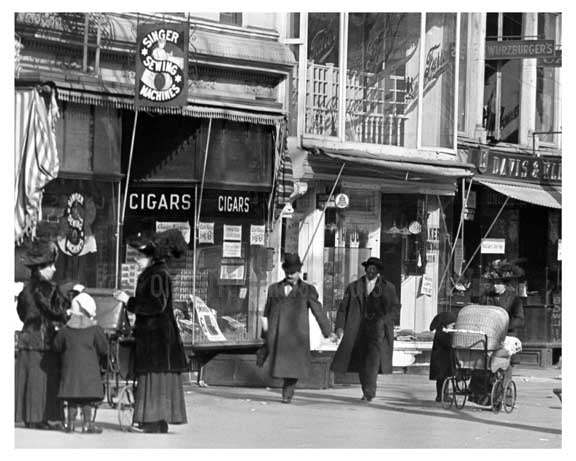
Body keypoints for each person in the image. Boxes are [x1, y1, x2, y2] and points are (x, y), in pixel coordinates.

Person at [114, 229, 188, 433]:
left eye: (139, 256)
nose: (136, 260)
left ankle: (152, 421)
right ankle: (156, 422)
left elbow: (156, 305)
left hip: (157, 337)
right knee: (154, 377)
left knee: (153, 377)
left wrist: (128, 301)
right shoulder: (157, 272)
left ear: (150, 257)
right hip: (157, 337)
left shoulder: (156, 274)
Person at [15, 238, 70, 429]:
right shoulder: (48, 287)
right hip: (43, 339)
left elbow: (21, 313)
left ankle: (27, 417)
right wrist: (66, 309)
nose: (54, 269)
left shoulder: (25, 288)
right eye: (50, 266)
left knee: (27, 379)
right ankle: (40, 418)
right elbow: (54, 311)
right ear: (41, 268)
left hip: (27, 336)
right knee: (41, 380)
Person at [262, 253, 332, 403]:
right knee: (279, 366)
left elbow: (317, 311)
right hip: (277, 334)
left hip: (296, 335)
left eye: (293, 272)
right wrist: (265, 335)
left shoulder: (307, 290)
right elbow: (266, 312)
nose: (290, 275)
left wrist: (328, 331)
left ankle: (287, 394)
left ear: (299, 271)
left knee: (292, 367)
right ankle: (286, 392)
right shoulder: (274, 289)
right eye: (287, 272)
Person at [330, 257, 401, 402]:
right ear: (365, 269)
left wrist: (385, 321)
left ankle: (369, 391)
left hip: (378, 330)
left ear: (378, 271)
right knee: (361, 362)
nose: (370, 270)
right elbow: (343, 309)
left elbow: (395, 308)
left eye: (374, 268)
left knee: (373, 360)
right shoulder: (354, 287)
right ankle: (366, 389)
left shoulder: (388, 287)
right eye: (369, 267)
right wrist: (339, 327)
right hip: (358, 329)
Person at [53, 291, 108, 433]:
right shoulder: (95, 330)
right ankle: (87, 424)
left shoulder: (65, 330)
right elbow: (103, 349)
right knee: (86, 400)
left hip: (70, 372)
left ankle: (70, 424)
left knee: (72, 399)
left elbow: (56, 347)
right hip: (89, 373)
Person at [428, 311, 457, 402]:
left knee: (444, 378)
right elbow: (448, 343)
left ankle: (443, 394)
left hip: (443, 359)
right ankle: (441, 395)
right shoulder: (441, 333)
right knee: (442, 379)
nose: (453, 326)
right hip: (441, 360)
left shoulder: (443, 332)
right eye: (452, 324)